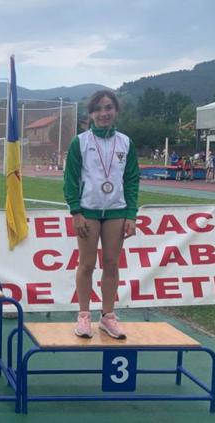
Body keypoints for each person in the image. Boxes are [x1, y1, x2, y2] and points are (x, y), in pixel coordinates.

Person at [63, 90, 139, 339]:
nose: (104, 113)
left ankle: (108, 316)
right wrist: (75, 211)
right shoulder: (81, 142)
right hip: (88, 210)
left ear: (116, 111)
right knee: (86, 264)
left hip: (116, 210)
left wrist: (131, 214)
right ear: (91, 114)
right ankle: (84, 316)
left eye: (108, 108)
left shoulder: (126, 143)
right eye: (98, 109)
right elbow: (70, 180)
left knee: (112, 263)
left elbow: (131, 180)